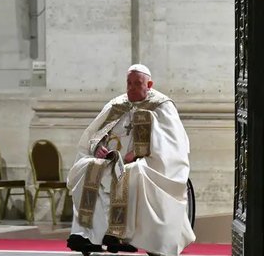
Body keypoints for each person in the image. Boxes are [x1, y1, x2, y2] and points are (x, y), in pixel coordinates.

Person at [66, 64, 195, 256]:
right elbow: (94, 133)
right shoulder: (117, 104)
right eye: (129, 83)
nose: (131, 88)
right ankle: (87, 235)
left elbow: (172, 144)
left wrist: (137, 153)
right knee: (87, 168)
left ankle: (119, 234)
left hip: (147, 162)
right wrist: (97, 147)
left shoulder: (161, 106)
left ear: (149, 84)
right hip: (110, 161)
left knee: (133, 172)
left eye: (137, 83)